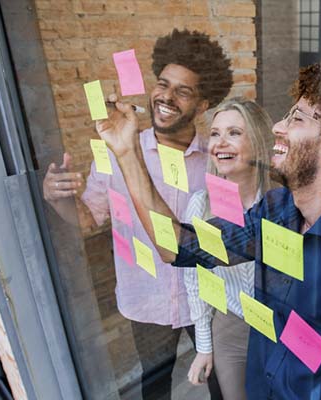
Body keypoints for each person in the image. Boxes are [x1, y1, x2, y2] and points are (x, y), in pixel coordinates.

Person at [96, 56, 321, 399]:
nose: (278, 126)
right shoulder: (277, 211)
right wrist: (127, 150)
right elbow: (176, 245)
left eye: (297, 118)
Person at [42, 29, 231, 400]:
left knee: (221, 383)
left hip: (206, 301)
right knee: (154, 385)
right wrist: (58, 197)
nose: (166, 97)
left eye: (183, 91)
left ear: (203, 104)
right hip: (146, 297)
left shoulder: (216, 160)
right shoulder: (117, 150)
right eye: (163, 85)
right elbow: (88, 218)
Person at [183, 97, 274, 399]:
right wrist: (205, 346)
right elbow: (195, 280)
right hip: (231, 325)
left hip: (279, 327)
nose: (221, 142)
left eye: (234, 132)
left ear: (258, 141)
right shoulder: (201, 203)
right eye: (215, 133)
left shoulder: (280, 203)